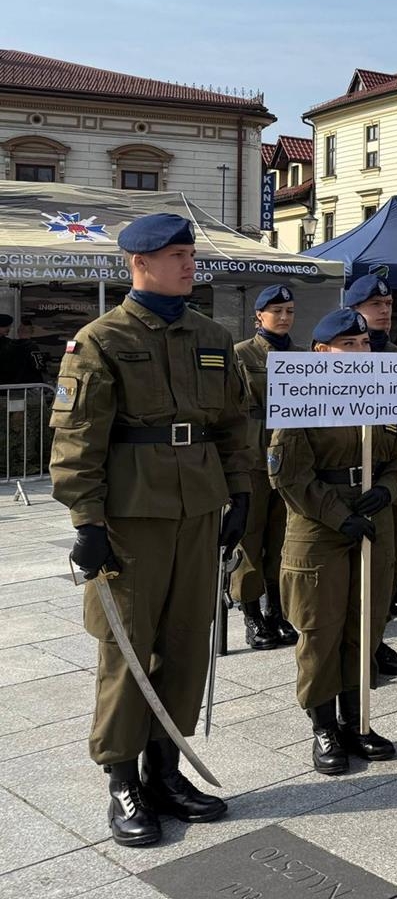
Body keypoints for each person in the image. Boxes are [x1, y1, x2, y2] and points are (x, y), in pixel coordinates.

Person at [52, 213, 250, 847]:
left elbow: (233, 422)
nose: (190, 264)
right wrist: (87, 520)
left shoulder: (212, 335)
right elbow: (78, 438)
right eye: (176, 255)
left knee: (187, 639)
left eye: (191, 254)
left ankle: (165, 770)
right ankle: (122, 779)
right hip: (132, 513)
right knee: (127, 645)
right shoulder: (101, 339)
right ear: (140, 264)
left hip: (199, 505)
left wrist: (242, 492)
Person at [268, 307, 397, 774]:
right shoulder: (301, 396)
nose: (360, 351)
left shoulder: (385, 394)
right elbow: (289, 474)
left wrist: (388, 489)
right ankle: (324, 726)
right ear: (321, 352)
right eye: (348, 345)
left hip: (374, 519)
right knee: (320, 629)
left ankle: (356, 721)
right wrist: (338, 515)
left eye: (364, 343)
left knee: (365, 623)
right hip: (319, 526)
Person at [344, 273, 397, 678]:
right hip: (347, 485)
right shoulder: (332, 354)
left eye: (388, 305)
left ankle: (376, 639)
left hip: (393, 482)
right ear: (354, 309)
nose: (385, 311)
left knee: (391, 562)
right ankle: (352, 651)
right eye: (375, 305)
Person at [231, 285, 299, 651]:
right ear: (259, 316)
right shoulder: (241, 354)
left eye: (289, 311)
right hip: (254, 460)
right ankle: (251, 612)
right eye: (277, 311)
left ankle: (277, 609)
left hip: (291, 461)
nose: (284, 317)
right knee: (250, 538)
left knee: (282, 539)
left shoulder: (302, 356)